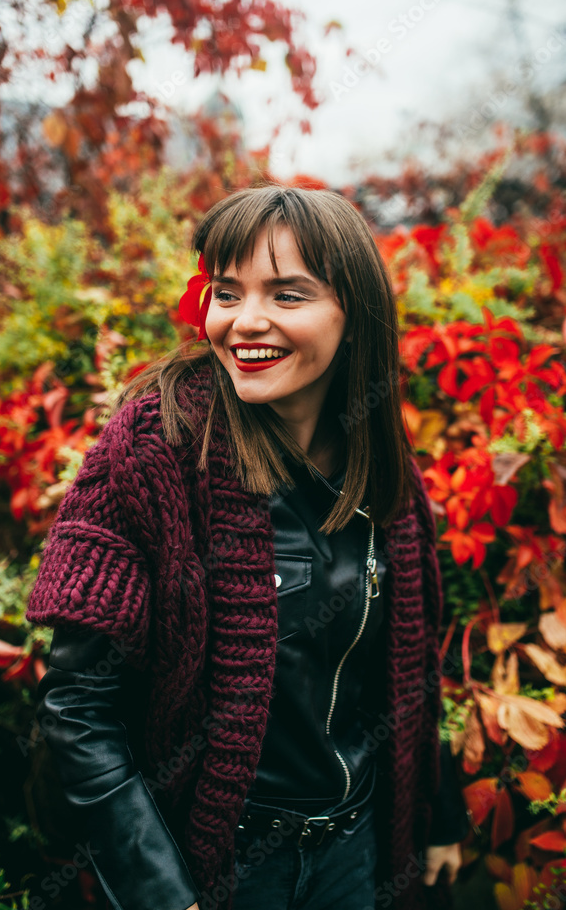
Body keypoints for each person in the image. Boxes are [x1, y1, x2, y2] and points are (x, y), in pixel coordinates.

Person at [26, 185, 471, 910]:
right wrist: (164, 895)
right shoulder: (153, 451)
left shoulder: (386, 475)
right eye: (227, 293)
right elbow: (77, 708)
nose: (245, 322)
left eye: (288, 295)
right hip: (219, 867)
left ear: (353, 317)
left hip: (352, 857)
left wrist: (440, 814)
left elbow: (408, 668)